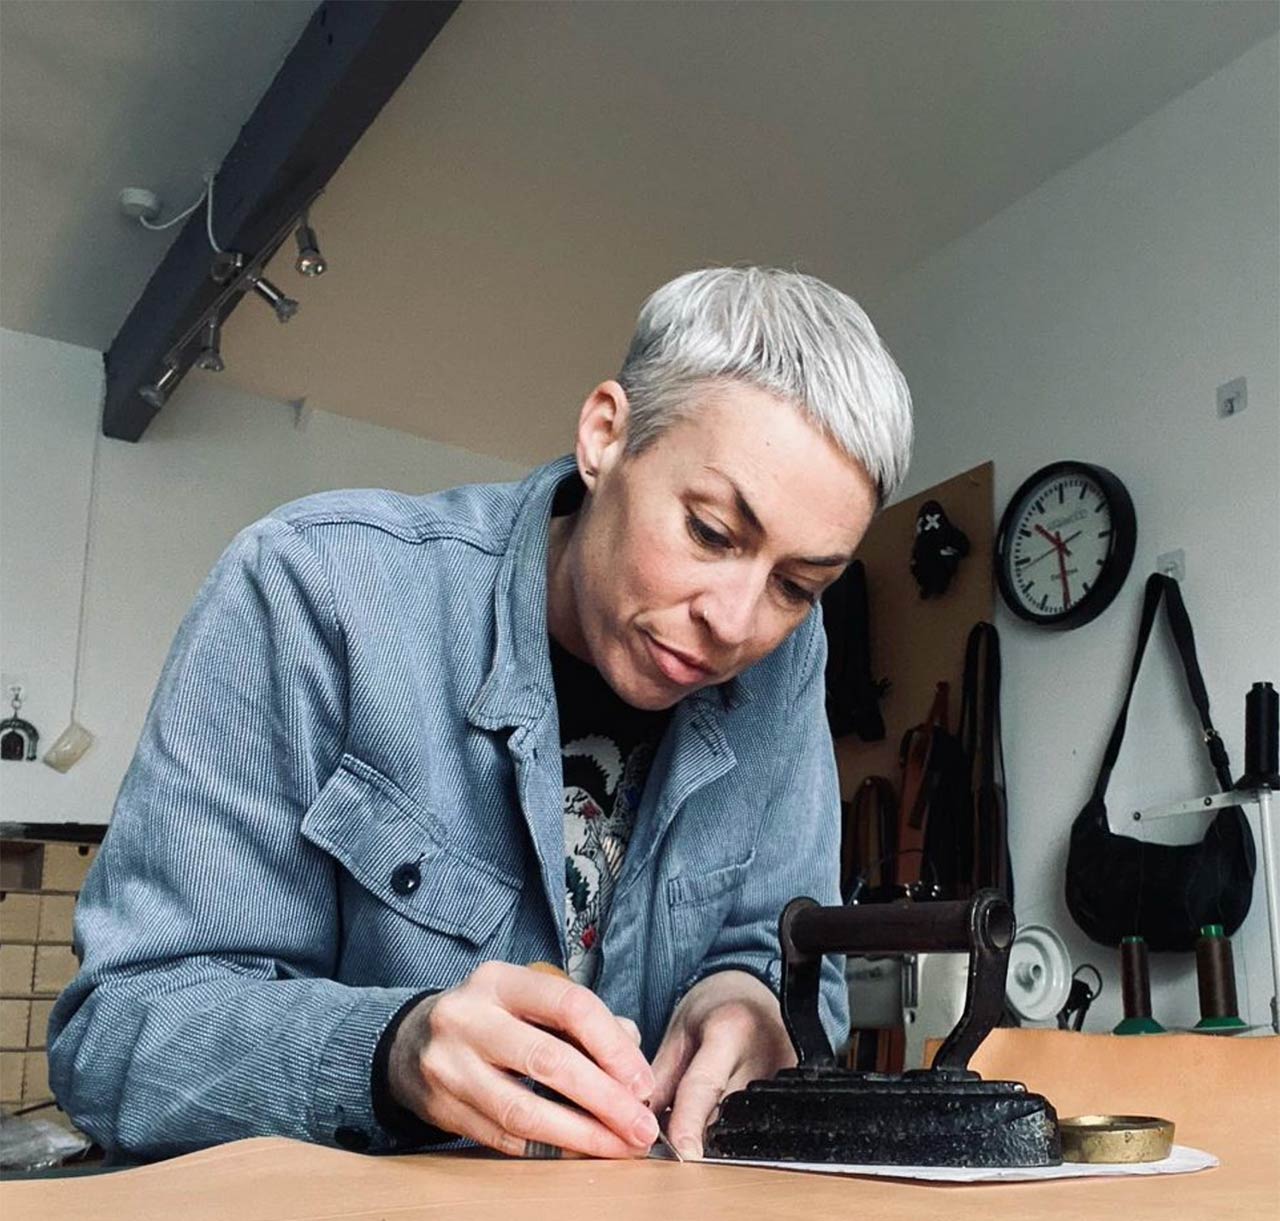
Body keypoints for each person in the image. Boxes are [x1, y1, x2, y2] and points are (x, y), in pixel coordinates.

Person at [49, 266, 912, 1162]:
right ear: (605, 436)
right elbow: (117, 1036)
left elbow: (793, 945)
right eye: (709, 532)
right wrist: (391, 1054)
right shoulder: (313, 591)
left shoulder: (787, 661)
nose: (735, 623)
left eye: (796, 584)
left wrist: (750, 995)